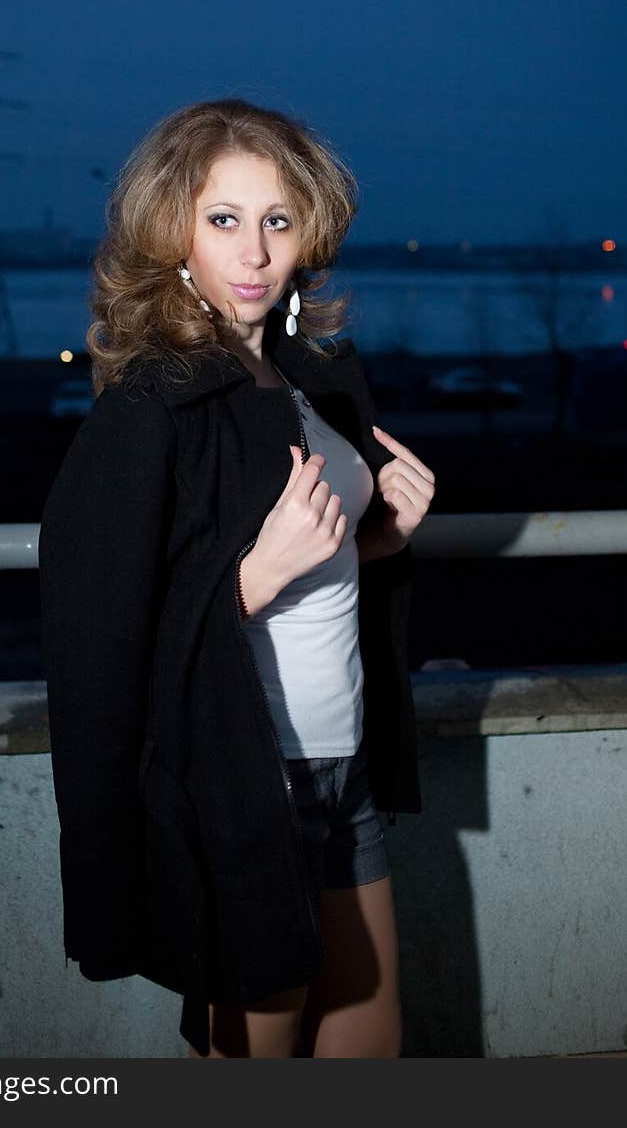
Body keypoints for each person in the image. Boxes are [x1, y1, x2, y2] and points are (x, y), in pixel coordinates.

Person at [38, 98, 435, 1058]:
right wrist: (250, 578)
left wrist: (380, 537)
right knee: (251, 1060)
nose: (253, 253)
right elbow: (98, 628)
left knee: (369, 1047)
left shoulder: (312, 381)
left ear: (310, 233)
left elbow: (316, 563)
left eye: (277, 221)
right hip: (242, 778)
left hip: (342, 762)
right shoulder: (152, 404)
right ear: (174, 230)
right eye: (224, 220)